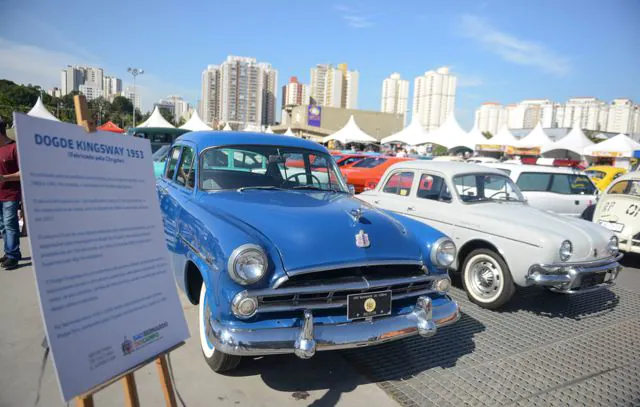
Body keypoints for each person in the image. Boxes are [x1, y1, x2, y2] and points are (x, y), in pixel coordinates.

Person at [0, 119, 21, 270]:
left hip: (11, 194)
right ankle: (8, 252)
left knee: (10, 224)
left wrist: (5, 177)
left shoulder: (14, 147)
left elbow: (23, 172)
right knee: (2, 226)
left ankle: (13, 255)